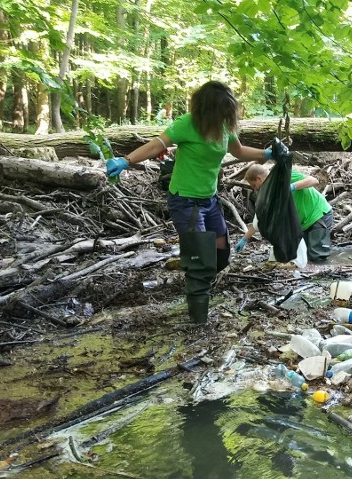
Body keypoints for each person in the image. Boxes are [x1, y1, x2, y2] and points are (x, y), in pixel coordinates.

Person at [105, 81, 273, 324]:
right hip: (185, 202)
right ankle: (198, 321)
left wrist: (266, 154)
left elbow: (239, 152)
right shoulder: (187, 124)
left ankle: (198, 280)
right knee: (201, 262)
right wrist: (125, 160)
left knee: (221, 254)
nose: (229, 115)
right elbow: (157, 144)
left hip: (210, 201)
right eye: (224, 110)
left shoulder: (225, 127)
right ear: (209, 109)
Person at [237, 164, 333, 263]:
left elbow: (314, 181)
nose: (254, 189)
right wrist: (244, 239)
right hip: (303, 224)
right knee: (305, 256)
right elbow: (259, 220)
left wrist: (291, 187)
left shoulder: (283, 175)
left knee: (318, 257)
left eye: (254, 185)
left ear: (259, 179)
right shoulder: (268, 195)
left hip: (318, 215)